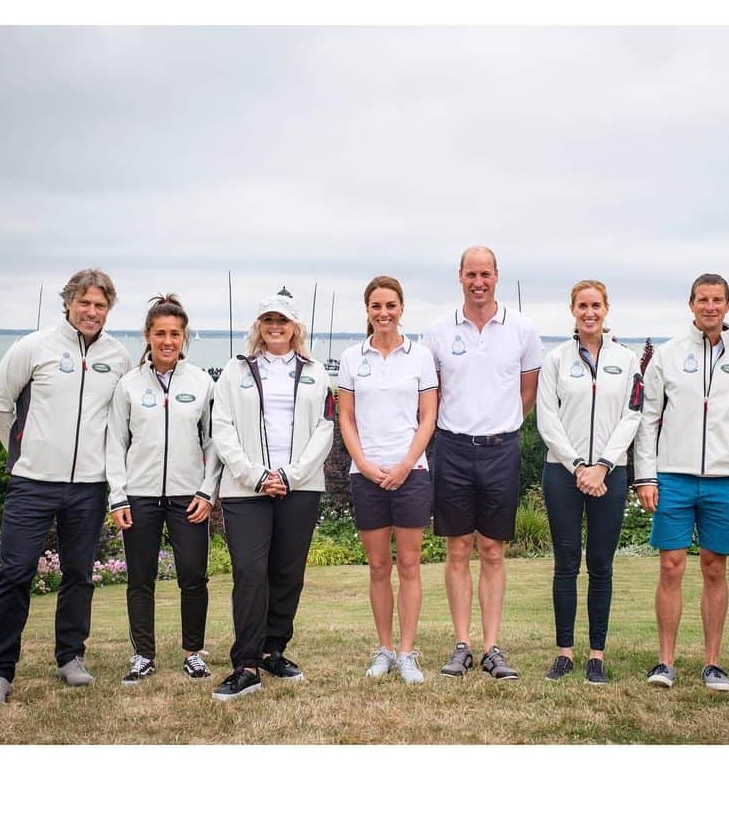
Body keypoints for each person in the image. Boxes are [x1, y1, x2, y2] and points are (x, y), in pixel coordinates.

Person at [0, 268, 131, 708]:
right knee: (14, 574)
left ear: (108, 310)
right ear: (68, 303)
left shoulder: (118, 356)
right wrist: (24, 451)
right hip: (33, 484)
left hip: (88, 487)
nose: (91, 312)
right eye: (84, 303)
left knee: (79, 575)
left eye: (100, 305)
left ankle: (71, 657)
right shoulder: (33, 346)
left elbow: (120, 420)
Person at [634, 273, 729, 692]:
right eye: (702, 300)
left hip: (725, 478)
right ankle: (665, 662)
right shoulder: (668, 356)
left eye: (717, 300)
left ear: (728, 306)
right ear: (690, 304)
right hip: (673, 476)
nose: (710, 307)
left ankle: (713, 664)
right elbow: (647, 420)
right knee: (671, 567)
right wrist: (646, 476)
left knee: (714, 568)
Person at [423, 246, 544, 681]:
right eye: (471, 274)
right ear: (460, 276)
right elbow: (429, 394)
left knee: (492, 550)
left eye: (485, 274)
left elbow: (527, 392)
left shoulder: (523, 330)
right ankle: (462, 645)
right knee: (457, 549)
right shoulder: (437, 332)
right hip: (452, 449)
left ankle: (493, 647)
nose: (478, 282)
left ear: (497, 276)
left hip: (501, 449)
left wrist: (502, 425)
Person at [208, 288, 334, 700]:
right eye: (268, 320)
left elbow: (325, 430)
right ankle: (245, 664)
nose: (276, 327)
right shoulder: (235, 369)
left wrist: (290, 475)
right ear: (259, 327)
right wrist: (257, 475)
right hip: (247, 489)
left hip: (299, 487)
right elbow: (221, 428)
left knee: (286, 573)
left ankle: (272, 649)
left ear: (295, 327)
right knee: (249, 573)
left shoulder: (316, 372)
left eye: (282, 321)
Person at [107, 294, 222, 684]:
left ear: (184, 337)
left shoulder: (202, 382)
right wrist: (117, 495)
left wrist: (208, 492)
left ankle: (193, 653)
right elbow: (115, 444)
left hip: (188, 496)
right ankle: (143, 655)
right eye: (160, 333)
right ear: (148, 336)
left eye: (175, 334)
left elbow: (213, 443)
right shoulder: (128, 385)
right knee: (140, 578)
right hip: (139, 497)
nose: (167, 341)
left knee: (193, 576)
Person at [536, 280, 643, 684]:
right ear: (572, 310)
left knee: (601, 565)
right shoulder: (556, 359)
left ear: (606, 309)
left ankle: (596, 654)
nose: (589, 313)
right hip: (563, 473)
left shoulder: (627, 360)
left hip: (609, 475)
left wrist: (602, 466)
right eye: (582, 306)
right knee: (566, 564)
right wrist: (579, 465)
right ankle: (564, 652)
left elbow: (631, 416)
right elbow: (547, 418)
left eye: (596, 305)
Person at [337, 276, 438, 684]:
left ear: (401, 308)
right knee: (379, 567)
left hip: (411, 474)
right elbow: (346, 417)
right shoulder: (350, 357)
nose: (383, 313)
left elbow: (428, 416)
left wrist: (405, 463)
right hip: (366, 476)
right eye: (376, 306)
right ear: (367, 310)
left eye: (390, 305)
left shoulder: (420, 356)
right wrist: (362, 462)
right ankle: (383, 649)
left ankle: (407, 653)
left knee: (410, 565)